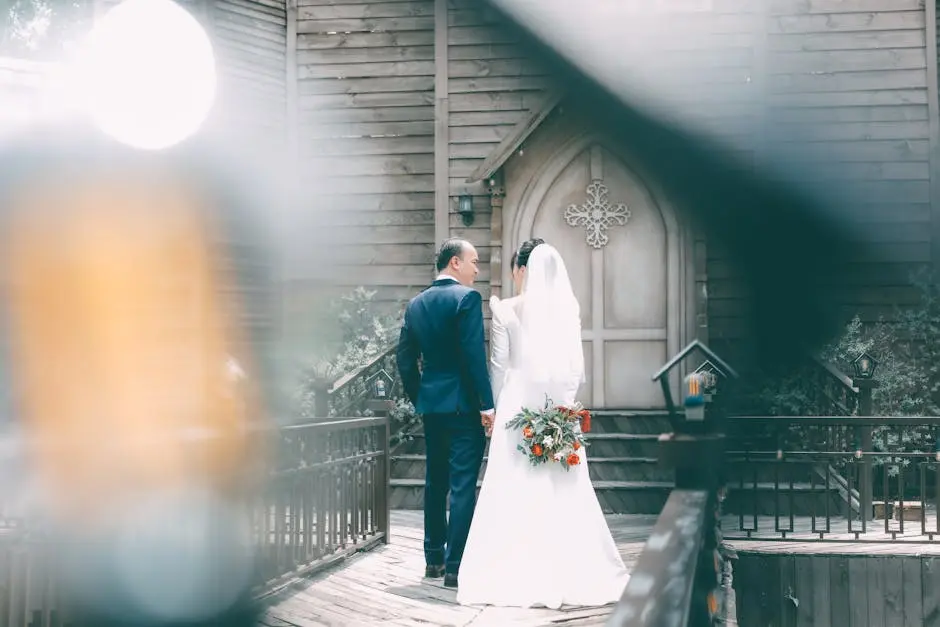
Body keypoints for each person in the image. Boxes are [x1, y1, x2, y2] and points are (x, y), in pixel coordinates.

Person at [457, 240, 630, 609]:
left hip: (517, 403)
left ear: (522, 271)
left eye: (516, 270)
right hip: (557, 407)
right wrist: (563, 408)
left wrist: (493, 408)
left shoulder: (506, 309)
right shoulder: (568, 310)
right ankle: (573, 569)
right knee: (564, 485)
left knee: (512, 485)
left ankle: (512, 569)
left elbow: (500, 367)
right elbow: (576, 371)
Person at [396, 238, 494, 589]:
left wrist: (420, 396)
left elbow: (405, 360)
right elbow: (473, 356)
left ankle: (433, 560)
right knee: (463, 485)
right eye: (474, 262)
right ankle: (456, 567)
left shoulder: (416, 304)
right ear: (455, 263)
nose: (476, 269)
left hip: (432, 407)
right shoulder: (467, 299)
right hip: (464, 406)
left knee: (435, 483)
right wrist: (487, 404)